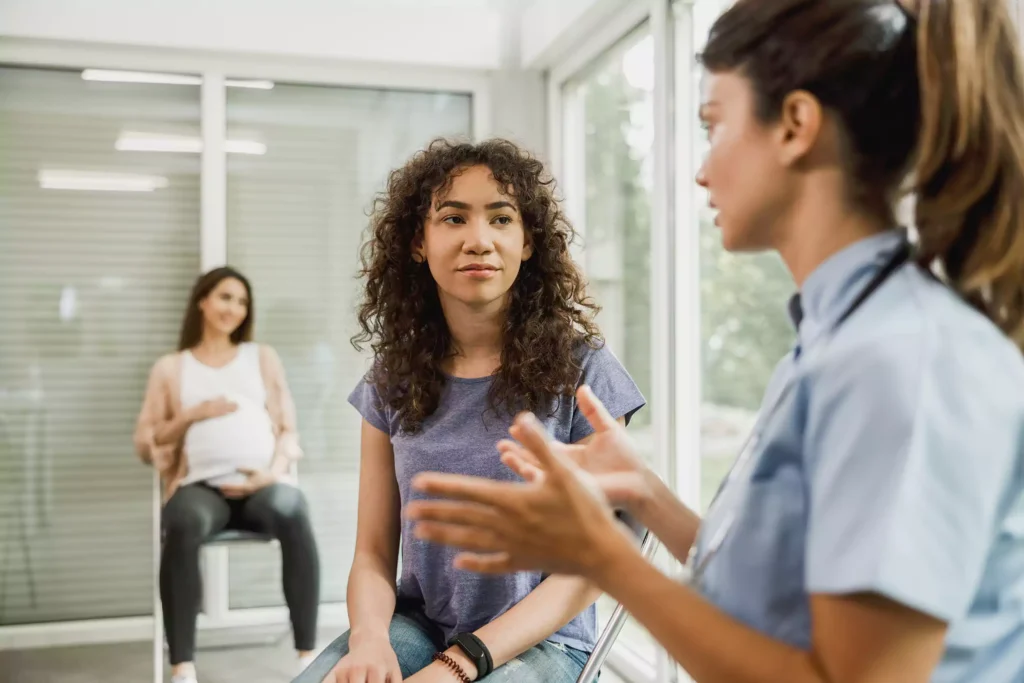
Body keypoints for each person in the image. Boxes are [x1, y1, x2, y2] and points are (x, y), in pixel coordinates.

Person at [404, 1, 1024, 681]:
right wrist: (642, 491)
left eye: (714, 125)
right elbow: (776, 597)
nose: (702, 170)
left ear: (794, 126)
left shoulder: (900, 358)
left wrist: (602, 557)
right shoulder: (833, 339)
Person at [296, 138, 646, 683]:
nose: (478, 240)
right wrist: (368, 642)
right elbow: (371, 553)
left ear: (527, 241)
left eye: (501, 218)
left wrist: (459, 666)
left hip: (544, 643)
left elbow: (592, 563)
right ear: (419, 241)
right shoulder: (391, 380)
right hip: (421, 625)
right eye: (453, 218)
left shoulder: (585, 371)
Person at [135, 267, 321, 683]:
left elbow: (288, 429)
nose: (233, 308)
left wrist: (270, 475)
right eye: (224, 297)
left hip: (261, 487)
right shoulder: (172, 368)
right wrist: (192, 415)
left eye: (241, 301)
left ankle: (307, 654)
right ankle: (183, 666)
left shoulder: (262, 357)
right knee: (181, 520)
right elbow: (147, 441)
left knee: (293, 510)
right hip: (202, 489)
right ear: (202, 300)